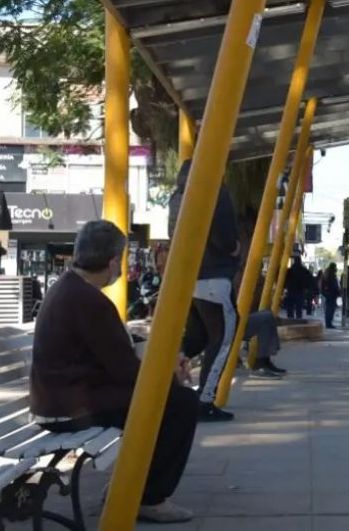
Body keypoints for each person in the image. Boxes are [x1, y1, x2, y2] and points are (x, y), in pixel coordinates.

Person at [30, 220, 198, 524]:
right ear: (112, 262)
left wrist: (169, 360)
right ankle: (150, 497)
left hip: (60, 400)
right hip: (69, 409)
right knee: (180, 403)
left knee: (169, 398)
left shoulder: (70, 289)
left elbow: (116, 351)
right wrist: (170, 376)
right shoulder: (88, 300)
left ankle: (133, 486)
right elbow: (126, 370)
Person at [171, 160, 241, 422]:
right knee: (222, 338)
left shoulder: (177, 196)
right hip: (215, 274)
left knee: (197, 338)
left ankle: (165, 381)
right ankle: (205, 400)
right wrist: (233, 247)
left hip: (190, 275)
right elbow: (224, 232)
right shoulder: (214, 191)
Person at [321, 263, 341, 329]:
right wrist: (337, 292)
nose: (336, 269)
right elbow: (333, 285)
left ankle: (328, 323)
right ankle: (329, 323)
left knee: (329, 309)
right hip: (331, 294)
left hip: (329, 294)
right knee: (330, 309)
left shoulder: (327, 274)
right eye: (335, 267)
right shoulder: (331, 275)